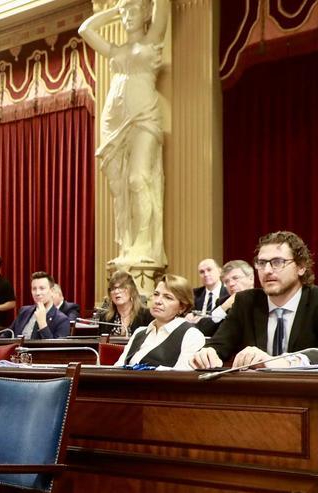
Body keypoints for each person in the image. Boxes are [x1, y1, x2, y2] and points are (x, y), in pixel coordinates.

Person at [80, 0, 170, 266]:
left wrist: (136, 6)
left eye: (134, 10)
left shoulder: (152, 38)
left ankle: (144, 246)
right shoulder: (115, 49)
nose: (128, 16)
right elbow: (85, 29)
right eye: (125, 12)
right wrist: (114, 8)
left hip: (144, 116)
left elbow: (163, 6)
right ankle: (128, 245)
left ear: (145, 13)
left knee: (138, 178)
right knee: (120, 187)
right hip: (114, 118)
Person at [190, 231, 318, 369]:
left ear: (301, 267)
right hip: (257, 397)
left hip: (308, 396)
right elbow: (219, 345)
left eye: (277, 262)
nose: (267, 270)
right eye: (261, 263)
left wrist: (286, 362)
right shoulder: (246, 302)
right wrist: (208, 353)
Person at [114, 274, 205, 369]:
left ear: (182, 307)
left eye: (168, 297)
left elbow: (183, 376)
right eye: (156, 294)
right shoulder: (139, 332)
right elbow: (118, 367)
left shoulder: (191, 335)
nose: (158, 301)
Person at [196, 260, 253, 338]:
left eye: (235, 278)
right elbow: (203, 329)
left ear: (251, 278)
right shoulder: (223, 302)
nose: (231, 284)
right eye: (227, 281)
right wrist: (224, 307)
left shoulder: (264, 299)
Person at [10, 272, 72, 339]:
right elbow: (7, 334)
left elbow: (55, 348)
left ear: (52, 291)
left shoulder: (62, 320)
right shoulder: (24, 311)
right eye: (34, 289)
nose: (37, 293)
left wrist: (42, 324)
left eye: (42, 288)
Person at [96, 270, 149, 336]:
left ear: (132, 290)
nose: (116, 291)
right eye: (113, 288)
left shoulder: (147, 315)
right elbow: (101, 343)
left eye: (121, 287)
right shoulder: (105, 318)